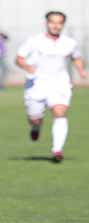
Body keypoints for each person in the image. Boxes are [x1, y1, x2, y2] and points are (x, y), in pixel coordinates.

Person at [15, 11, 87, 162]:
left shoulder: (69, 43)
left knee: (60, 113)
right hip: (36, 84)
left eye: (59, 22)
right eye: (52, 22)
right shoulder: (34, 41)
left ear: (63, 25)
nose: (55, 25)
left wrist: (81, 70)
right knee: (35, 119)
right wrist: (27, 67)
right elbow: (19, 58)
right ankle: (36, 127)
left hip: (60, 84)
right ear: (47, 23)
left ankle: (57, 150)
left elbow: (77, 57)